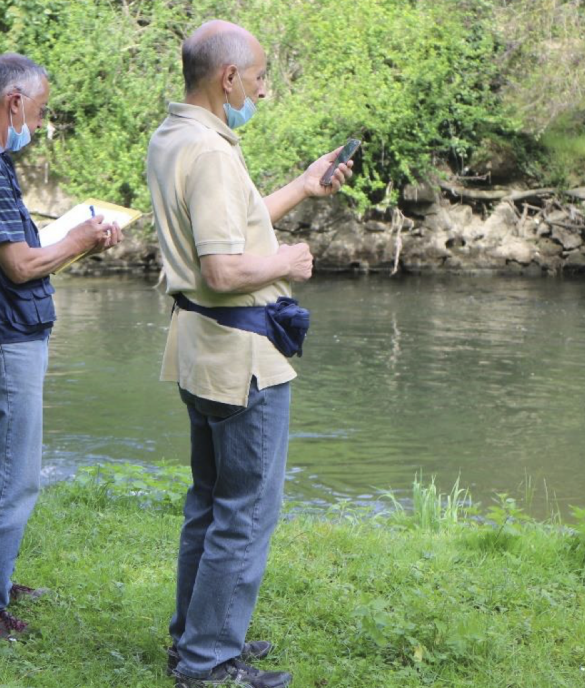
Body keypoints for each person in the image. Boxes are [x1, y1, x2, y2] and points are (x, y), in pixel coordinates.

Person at [146, 20, 353, 688]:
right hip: (239, 358)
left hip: (200, 351)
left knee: (210, 503)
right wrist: (289, 258)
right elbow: (223, 269)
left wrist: (304, 185)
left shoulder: (175, 136)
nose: (264, 90)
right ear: (228, 76)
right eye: (261, 77)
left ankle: (196, 640)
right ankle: (209, 665)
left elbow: (231, 224)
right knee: (245, 511)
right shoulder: (209, 151)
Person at [0, 53, 122, 640]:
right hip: (0, 339)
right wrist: (81, 239)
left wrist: (76, 243)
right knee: (8, 474)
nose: (36, 127)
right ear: (14, 102)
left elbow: (20, 250)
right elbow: (20, 266)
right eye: (38, 115)